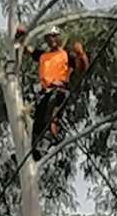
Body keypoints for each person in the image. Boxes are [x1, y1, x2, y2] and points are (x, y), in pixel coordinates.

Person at [14, 22, 89, 158]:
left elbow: (81, 70)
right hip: (44, 92)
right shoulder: (42, 55)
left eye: (54, 37)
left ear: (58, 38)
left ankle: (47, 143)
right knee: (38, 121)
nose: (51, 40)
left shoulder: (66, 55)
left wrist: (81, 55)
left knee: (51, 114)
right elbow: (24, 49)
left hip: (59, 90)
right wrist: (19, 36)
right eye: (48, 37)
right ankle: (30, 152)